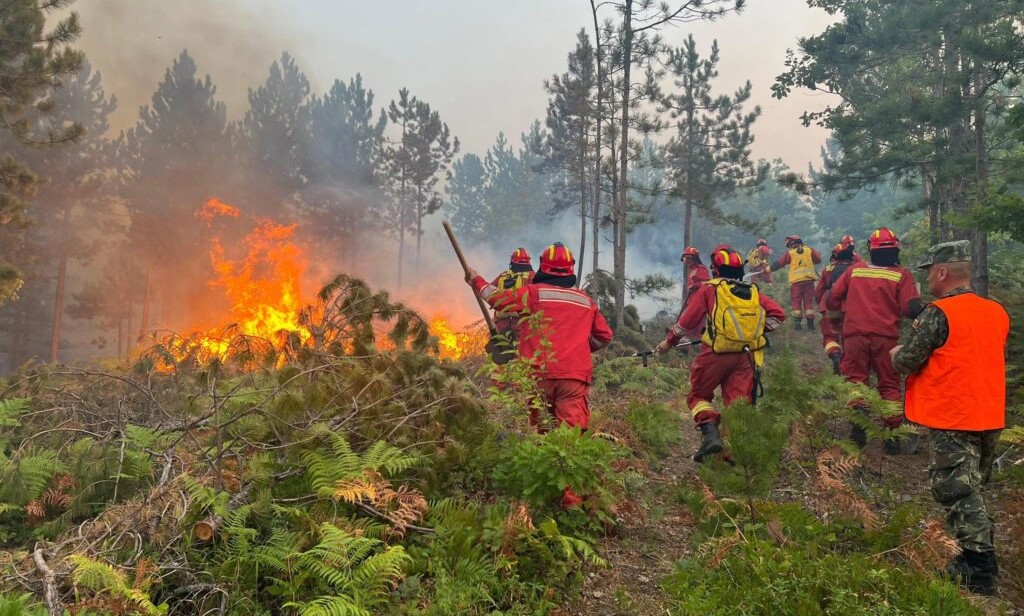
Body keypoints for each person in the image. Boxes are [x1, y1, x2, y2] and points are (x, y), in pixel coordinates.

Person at [892, 240, 1009, 596]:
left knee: (956, 490)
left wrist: (896, 353)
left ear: (943, 272)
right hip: (989, 412)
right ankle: (976, 556)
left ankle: (978, 567)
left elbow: (909, 360)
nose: (928, 278)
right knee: (973, 487)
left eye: (930, 271)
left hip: (954, 414)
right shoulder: (996, 311)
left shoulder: (938, 313)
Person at [466, 242, 613, 508]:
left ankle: (543, 493)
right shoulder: (585, 300)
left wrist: (476, 280)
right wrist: (581, 348)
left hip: (538, 376)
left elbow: (497, 299)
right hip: (573, 379)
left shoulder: (533, 293)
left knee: (543, 431)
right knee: (570, 437)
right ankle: (571, 504)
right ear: (570, 271)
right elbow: (604, 336)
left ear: (543, 267)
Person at [655, 246, 785, 462]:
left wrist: (669, 342)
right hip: (745, 358)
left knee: (698, 396)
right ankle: (731, 456)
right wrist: (753, 332)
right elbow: (778, 315)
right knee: (737, 405)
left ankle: (710, 435)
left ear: (715, 268)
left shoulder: (710, 289)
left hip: (715, 354)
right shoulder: (753, 291)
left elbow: (685, 323)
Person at [826, 227, 920, 450]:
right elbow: (910, 309)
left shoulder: (855, 270)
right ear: (895, 249)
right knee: (889, 384)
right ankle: (892, 437)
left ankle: (859, 421)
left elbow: (832, 298)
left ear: (871, 249)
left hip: (855, 336)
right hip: (886, 339)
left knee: (855, 380)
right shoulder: (902, 274)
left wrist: (838, 322)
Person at [816, 242, 858, 374]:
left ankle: (835, 355)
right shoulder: (856, 270)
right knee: (847, 337)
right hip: (849, 307)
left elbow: (819, 291)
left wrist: (821, 305)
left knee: (830, 336)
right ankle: (847, 366)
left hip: (829, 306)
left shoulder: (828, 269)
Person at [771, 235, 821, 331]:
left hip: (796, 283)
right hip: (809, 281)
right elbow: (818, 260)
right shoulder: (809, 250)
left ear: (791, 244)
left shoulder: (791, 253)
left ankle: (798, 326)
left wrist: (768, 269)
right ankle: (811, 326)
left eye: (789, 245)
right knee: (808, 302)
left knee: (796, 302)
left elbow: (779, 263)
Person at [489, 247, 536, 335]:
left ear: (512, 261)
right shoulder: (532, 276)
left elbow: (489, 292)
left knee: (499, 343)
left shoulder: (503, 276)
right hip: (521, 325)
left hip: (501, 324)